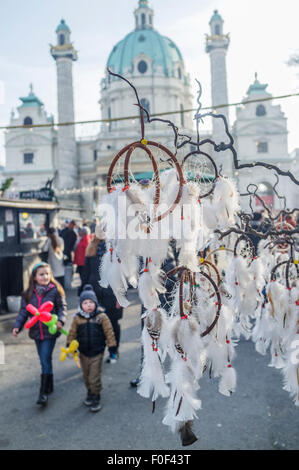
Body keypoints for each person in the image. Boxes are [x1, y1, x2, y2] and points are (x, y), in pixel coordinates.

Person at [12, 262, 67, 407]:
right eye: (41, 274)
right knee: (45, 359)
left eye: (47, 274)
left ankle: (42, 393)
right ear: (34, 277)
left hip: (50, 331)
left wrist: (61, 320)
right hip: (36, 332)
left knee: (44, 358)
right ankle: (50, 384)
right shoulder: (28, 294)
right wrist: (17, 326)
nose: (45, 276)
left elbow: (62, 308)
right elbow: (24, 312)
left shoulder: (55, 290)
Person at [66, 284, 117, 412]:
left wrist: (112, 347)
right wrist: (69, 344)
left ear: (95, 303)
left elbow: (109, 332)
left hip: (97, 352)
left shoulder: (101, 317)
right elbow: (72, 332)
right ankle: (90, 391)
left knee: (94, 376)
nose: (88, 305)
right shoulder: (77, 318)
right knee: (86, 376)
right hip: (83, 352)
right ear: (81, 305)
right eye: (85, 303)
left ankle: (96, 396)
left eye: (91, 302)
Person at [92, 225, 123, 363]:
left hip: (113, 293)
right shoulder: (92, 248)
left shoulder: (117, 249)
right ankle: (99, 351)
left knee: (113, 324)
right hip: (96, 293)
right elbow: (86, 272)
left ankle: (113, 351)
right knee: (97, 324)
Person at [74, 226, 91, 294]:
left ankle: (83, 289)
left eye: (81, 231)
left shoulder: (86, 239)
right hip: (81, 261)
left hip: (83, 262)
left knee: (83, 277)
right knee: (82, 276)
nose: (79, 232)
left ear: (84, 232)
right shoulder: (82, 238)